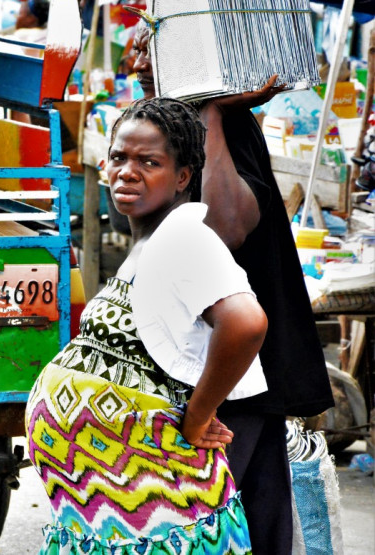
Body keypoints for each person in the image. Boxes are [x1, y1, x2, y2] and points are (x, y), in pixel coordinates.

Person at [26, 96, 266, 553]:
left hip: (152, 503)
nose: (127, 171)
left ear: (182, 177)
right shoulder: (150, 243)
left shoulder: (184, 234)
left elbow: (246, 322)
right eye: (119, 157)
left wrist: (195, 417)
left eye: (148, 162)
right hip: (110, 505)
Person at [131, 19, 334, 554]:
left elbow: (223, 228)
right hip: (217, 376)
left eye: (151, 48)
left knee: (212, 521)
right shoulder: (168, 123)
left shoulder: (220, 126)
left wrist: (213, 113)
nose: (137, 59)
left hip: (224, 378)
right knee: (254, 521)